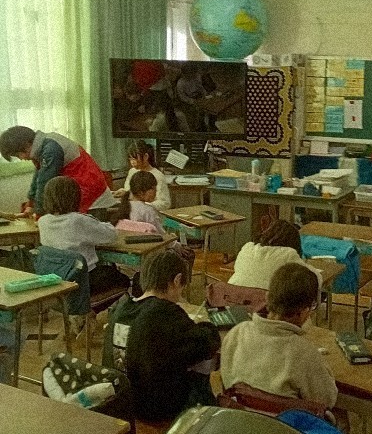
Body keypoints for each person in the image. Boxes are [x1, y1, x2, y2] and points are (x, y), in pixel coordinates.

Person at [103, 250, 220, 422]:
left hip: (121, 402)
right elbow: (207, 342)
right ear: (177, 280)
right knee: (203, 366)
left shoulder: (119, 308)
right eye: (182, 288)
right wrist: (206, 324)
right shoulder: (166, 313)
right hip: (155, 410)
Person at [221, 262, 338, 409]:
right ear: (304, 311)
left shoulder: (236, 333)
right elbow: (327, 400)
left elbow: (226, 380)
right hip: (283, 422)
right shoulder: (305, 353)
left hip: (239, 417)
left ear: (267, 297)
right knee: (340, 416)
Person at [37, 176, 130, 301]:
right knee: (122, 279)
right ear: (75, 197)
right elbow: (111, 235)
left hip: (57, 280)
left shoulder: (42, 221)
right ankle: (92, 310)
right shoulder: (77, 220)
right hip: (84, 280)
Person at [0, 126, 115, 217]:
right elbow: (38, 178)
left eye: (17, 155)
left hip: (91, 195)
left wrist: (39, 214)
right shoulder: (42, 146)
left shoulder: (51, 149)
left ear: (25, 145)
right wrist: (30, 204)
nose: (21, 159)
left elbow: (45, 182)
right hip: (79, 191)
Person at [228, 219, 322, 290]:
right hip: (266, 306)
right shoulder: (288, 254)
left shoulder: (247, 248)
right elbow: (314, 279)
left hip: (233, 301)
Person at [113, 140, 171, 210]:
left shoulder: (158, 176)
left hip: (150, 213)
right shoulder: (132, 171)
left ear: (146, 156)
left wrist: (142, 204)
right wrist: (124, 192)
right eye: (130, 159)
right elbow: (132, 192)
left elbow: (165, 203)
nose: (132, 162)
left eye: (135, 159)